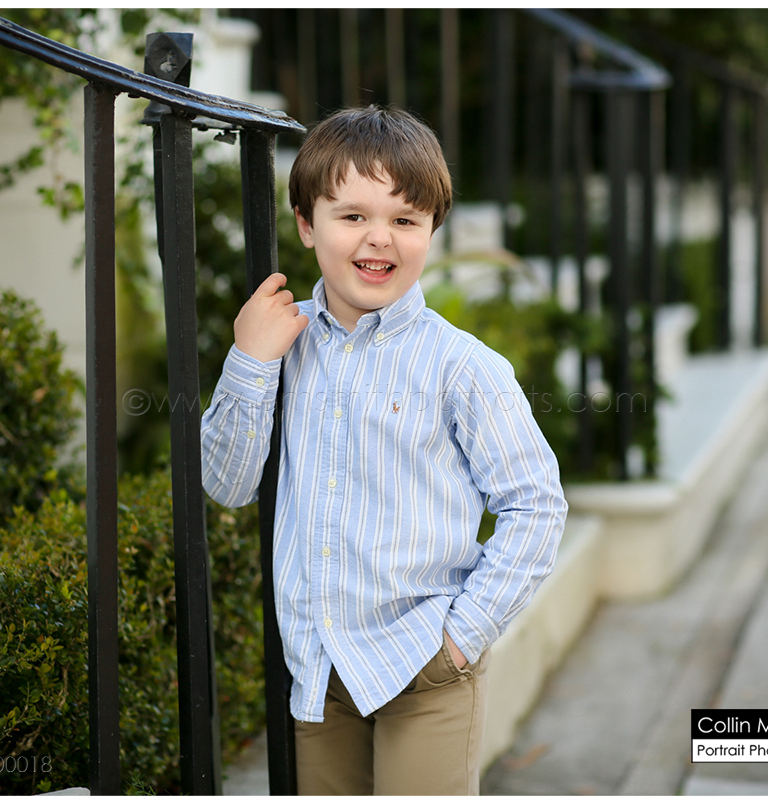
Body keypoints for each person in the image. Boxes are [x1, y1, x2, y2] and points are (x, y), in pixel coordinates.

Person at [200, 105, 567, 795]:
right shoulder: (277, 342)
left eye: (405, 219)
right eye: (352, 216)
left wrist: (463, 635)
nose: (380, 238)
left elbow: (536, 506)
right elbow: (227, 484)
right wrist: (250, 361)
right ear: (306, 224)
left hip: (424, 666)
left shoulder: (463, 367)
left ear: (431, 229)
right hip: (318, 672)